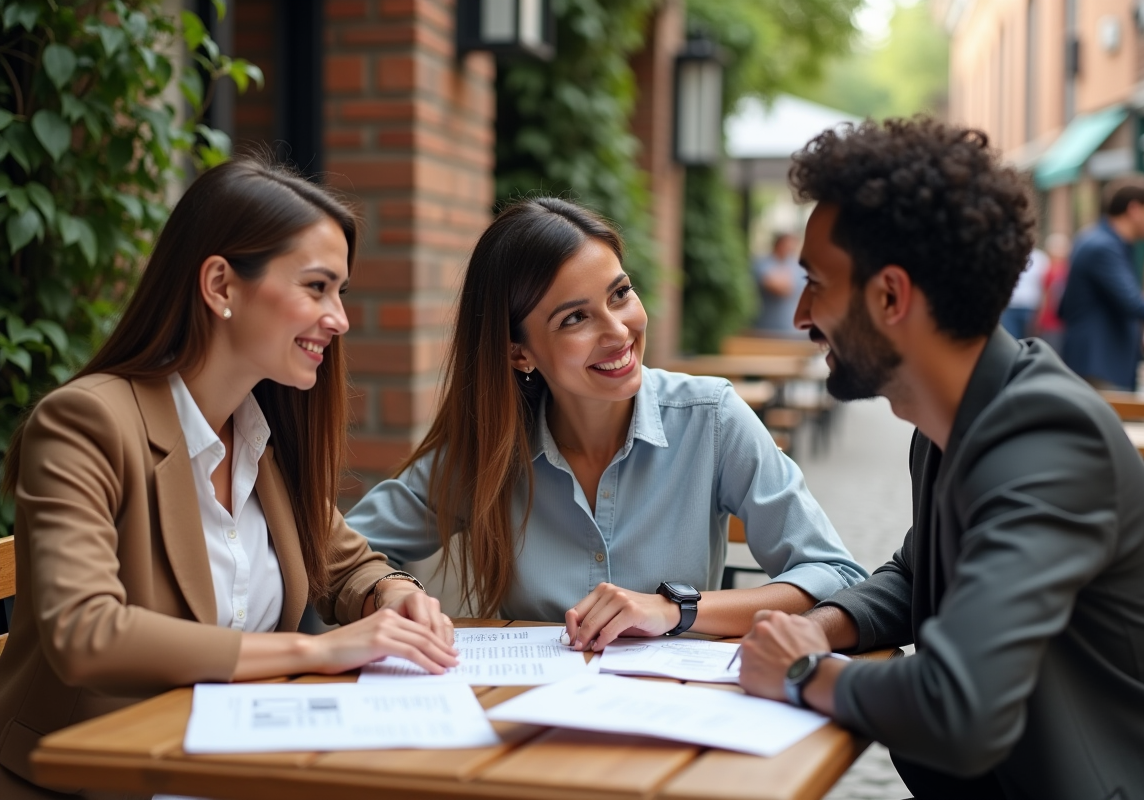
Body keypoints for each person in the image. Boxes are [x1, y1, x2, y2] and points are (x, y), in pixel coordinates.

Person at [736, 118, 1144, 800]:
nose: (802, 313)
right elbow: (915, 573)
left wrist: (805, 672)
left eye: (817, 283)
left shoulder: (1047, 436)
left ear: (890, 295)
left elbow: (961, 708)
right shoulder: (954, 418)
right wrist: (819, 626)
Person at [0, 157, 459, 800]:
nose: (340, 319)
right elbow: (87, 634)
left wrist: (391, 595)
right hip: (97, 780)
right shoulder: (85, 424)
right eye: (317, 287)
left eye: (341, 293)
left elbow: (348, 565)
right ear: (220, 285)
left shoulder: (261, 433)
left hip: (230, 767)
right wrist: (317, 653)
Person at [347, 198, 866, 650]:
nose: (619, 331)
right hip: (527, 723)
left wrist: (674, 610)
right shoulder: (491, 448)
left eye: (620, 294)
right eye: (575, 318)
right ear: (519, 352)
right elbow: (345, 553)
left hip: (678, 719)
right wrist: (393, 588)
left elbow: (836, 575)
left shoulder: (710, 419)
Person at [1058, 173, 1144, 390]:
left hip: (1101, 362)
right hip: (1099, 365)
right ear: (1134, 210)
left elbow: (1063, 306)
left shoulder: (1103, 241)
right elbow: (1133, 303)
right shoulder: (1103, 246)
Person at [752, 232, 806, 336]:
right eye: (787, 244)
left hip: (789, 329)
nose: (790, 248)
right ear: (778, 244)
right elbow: (776, 287)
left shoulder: (798, 267)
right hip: (764, 328)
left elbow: (790, 288)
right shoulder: (762, 263)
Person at [1032, 232, 1071, 353]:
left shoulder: (1054, 271)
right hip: (1058, 322)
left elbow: (1045, 298)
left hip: (1053, 323)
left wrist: (1037, 319)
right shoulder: (1066, 269)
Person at [998, 247, 1047, 338]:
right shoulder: (1009, 255)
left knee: (1029, 339)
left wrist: (1041, 310)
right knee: (1011, 339)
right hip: (1011, 306)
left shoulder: (1040, 258)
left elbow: (1044, 286)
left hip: (1031, 307)